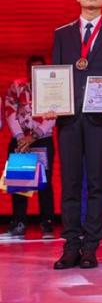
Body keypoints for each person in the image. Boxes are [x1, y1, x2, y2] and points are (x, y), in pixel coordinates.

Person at [49, 0, 102, 269]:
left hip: (100, 119)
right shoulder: (62, 34)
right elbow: (55, 76)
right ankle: (71, 244)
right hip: (69, 119)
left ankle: (91, 246)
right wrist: (51, 104)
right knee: (70, 183)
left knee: (97, 183)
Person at [1, 55, 56, 240]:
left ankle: (47, 224)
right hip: (20, 140)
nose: (35, 72)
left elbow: (54, 114)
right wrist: (20, 137)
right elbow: (9, 111)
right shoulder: (17, 86)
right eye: (32, 68)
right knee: (19, 184)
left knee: (44, 183)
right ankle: (19, 223)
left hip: (42, 139)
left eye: (39, 68)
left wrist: (34, 136)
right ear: (27, 70)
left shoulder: (52, 87)